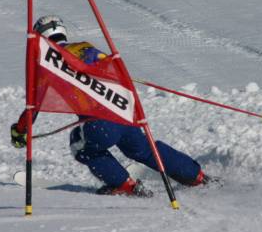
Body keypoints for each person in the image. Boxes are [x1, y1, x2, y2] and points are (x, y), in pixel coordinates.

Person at [11, 15, 211, 197]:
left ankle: (123, 185)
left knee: (81, 145)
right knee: (143, 149)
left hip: (99, 123)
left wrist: (20, 131)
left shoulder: (48, 66)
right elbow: (110, 67)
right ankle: (196, 176)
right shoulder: (84, 47)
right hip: (123, 113)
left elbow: (32, 106)